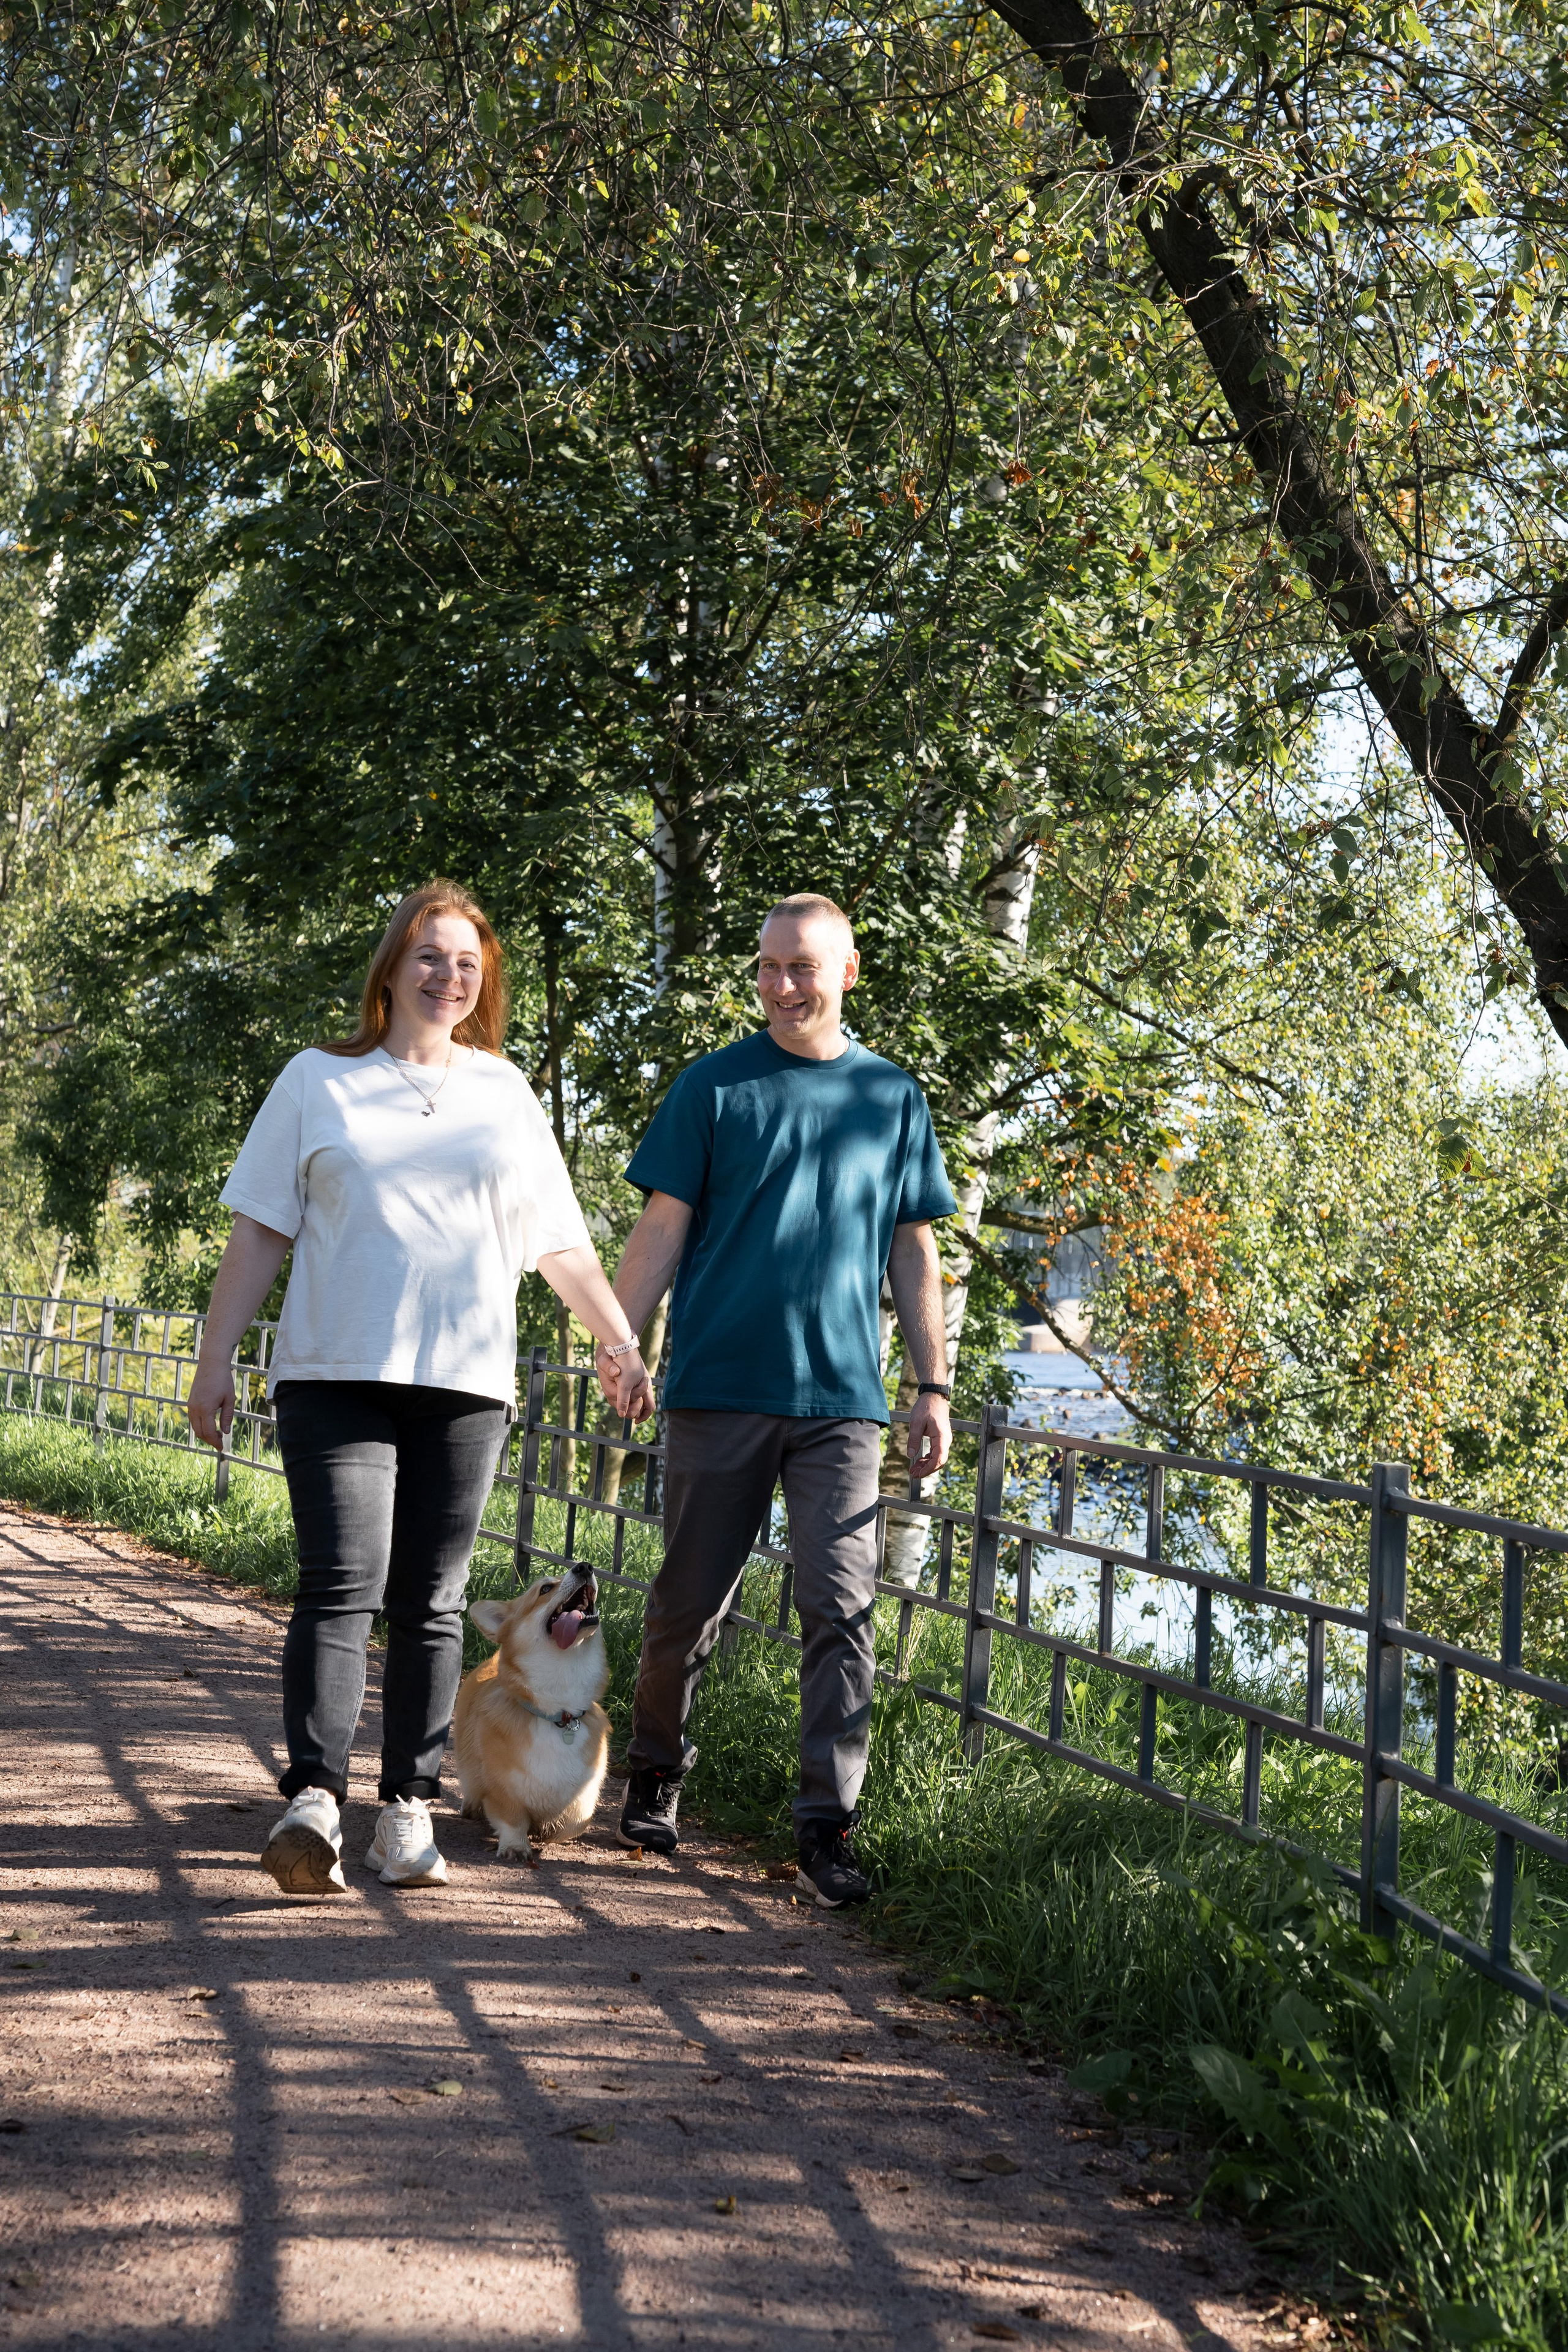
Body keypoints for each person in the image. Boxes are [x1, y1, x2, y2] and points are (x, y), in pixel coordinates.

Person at [187, 880, 654, 1896]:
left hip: (464, 1384)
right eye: (431, 956)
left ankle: (407, 1809)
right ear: (392, 968)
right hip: (334, 1372)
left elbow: (560, 1244)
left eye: (468, 963)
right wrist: (215, 1359)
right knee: (340, 1583)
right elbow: (261, 1229)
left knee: (434, 1602)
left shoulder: (505, 1094)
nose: (449, 976)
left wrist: (618, 1341)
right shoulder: (317, 1080)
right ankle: (316, 1799)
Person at [605, 892, 956, 1906]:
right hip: (718, 1389)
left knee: (841, 1612)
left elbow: (913, 1251)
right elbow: (661, 1229)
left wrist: (933, 1386)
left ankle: (826, 1829)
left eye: (801, 966)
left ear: (847, 972)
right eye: (767, 966)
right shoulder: (714, 1086)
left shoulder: (891, 1097)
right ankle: (656, 1771)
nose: (781, 985)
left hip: (843, 1402)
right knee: (687, 1604)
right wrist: (620, 1345)